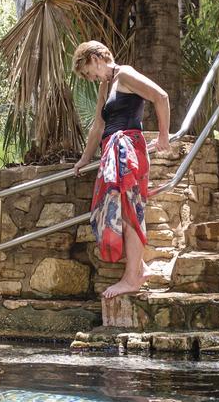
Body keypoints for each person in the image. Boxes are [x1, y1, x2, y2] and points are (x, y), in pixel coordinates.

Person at [71, 40, 171, 299]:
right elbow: (97, 126)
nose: (90, 78)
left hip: (128, 148)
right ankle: (140, 268)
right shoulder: (106, 84)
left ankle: (131, 279)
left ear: (95, 58)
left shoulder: (125, 73)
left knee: (129, 211)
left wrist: (163, 137)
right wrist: (84, 159)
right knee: (118, 209)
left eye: (87, 71)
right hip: (112, 151)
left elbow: (160, 96)